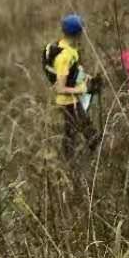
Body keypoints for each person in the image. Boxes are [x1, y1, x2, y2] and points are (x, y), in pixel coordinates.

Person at [43, 14, 100, 158]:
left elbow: (74, 71)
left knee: (71, 132)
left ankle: (69, 160)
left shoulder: (68, 48)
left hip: (73, 100)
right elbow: (60, 88)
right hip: (69, 102)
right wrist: (81, 89)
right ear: (78, 33)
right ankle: (93, 157)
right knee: (86, 132)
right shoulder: (64, 57)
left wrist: (87, 78)